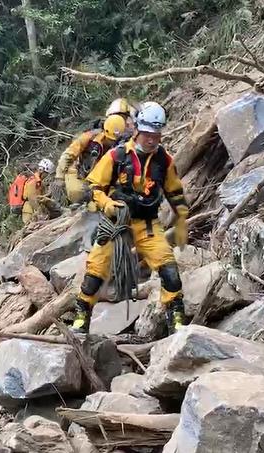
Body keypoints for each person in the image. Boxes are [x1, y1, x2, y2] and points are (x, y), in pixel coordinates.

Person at [70, 102, 190, 336]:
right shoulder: (117, 156)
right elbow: (93, 187)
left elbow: (174, 191)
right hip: (117, 223)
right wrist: (107, 204)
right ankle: (81, 319)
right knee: (95, 272)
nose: (152, 140)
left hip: (147, 224)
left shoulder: (164, 160)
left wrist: (182, 217)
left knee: (169, 271)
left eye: (156, 135)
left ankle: (176, 320)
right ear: (137, 131)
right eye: (147, 135)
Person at [51, 114, 127, 206]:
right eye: (109, 140)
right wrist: (59, 177)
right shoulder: (89, 138)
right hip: (79, 175)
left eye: (114, 141)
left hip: (101, 182)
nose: (111, 143)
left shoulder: (122, 149)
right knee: (78, 194)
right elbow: (68, 155)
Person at [21, 158, 60, 225]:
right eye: (46, 173)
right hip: (30, 211)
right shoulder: (33, 182)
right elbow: (32, 199)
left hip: (32, 210)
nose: (47, 175)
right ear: (42, 170)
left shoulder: (38, 182)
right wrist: (40, 213)